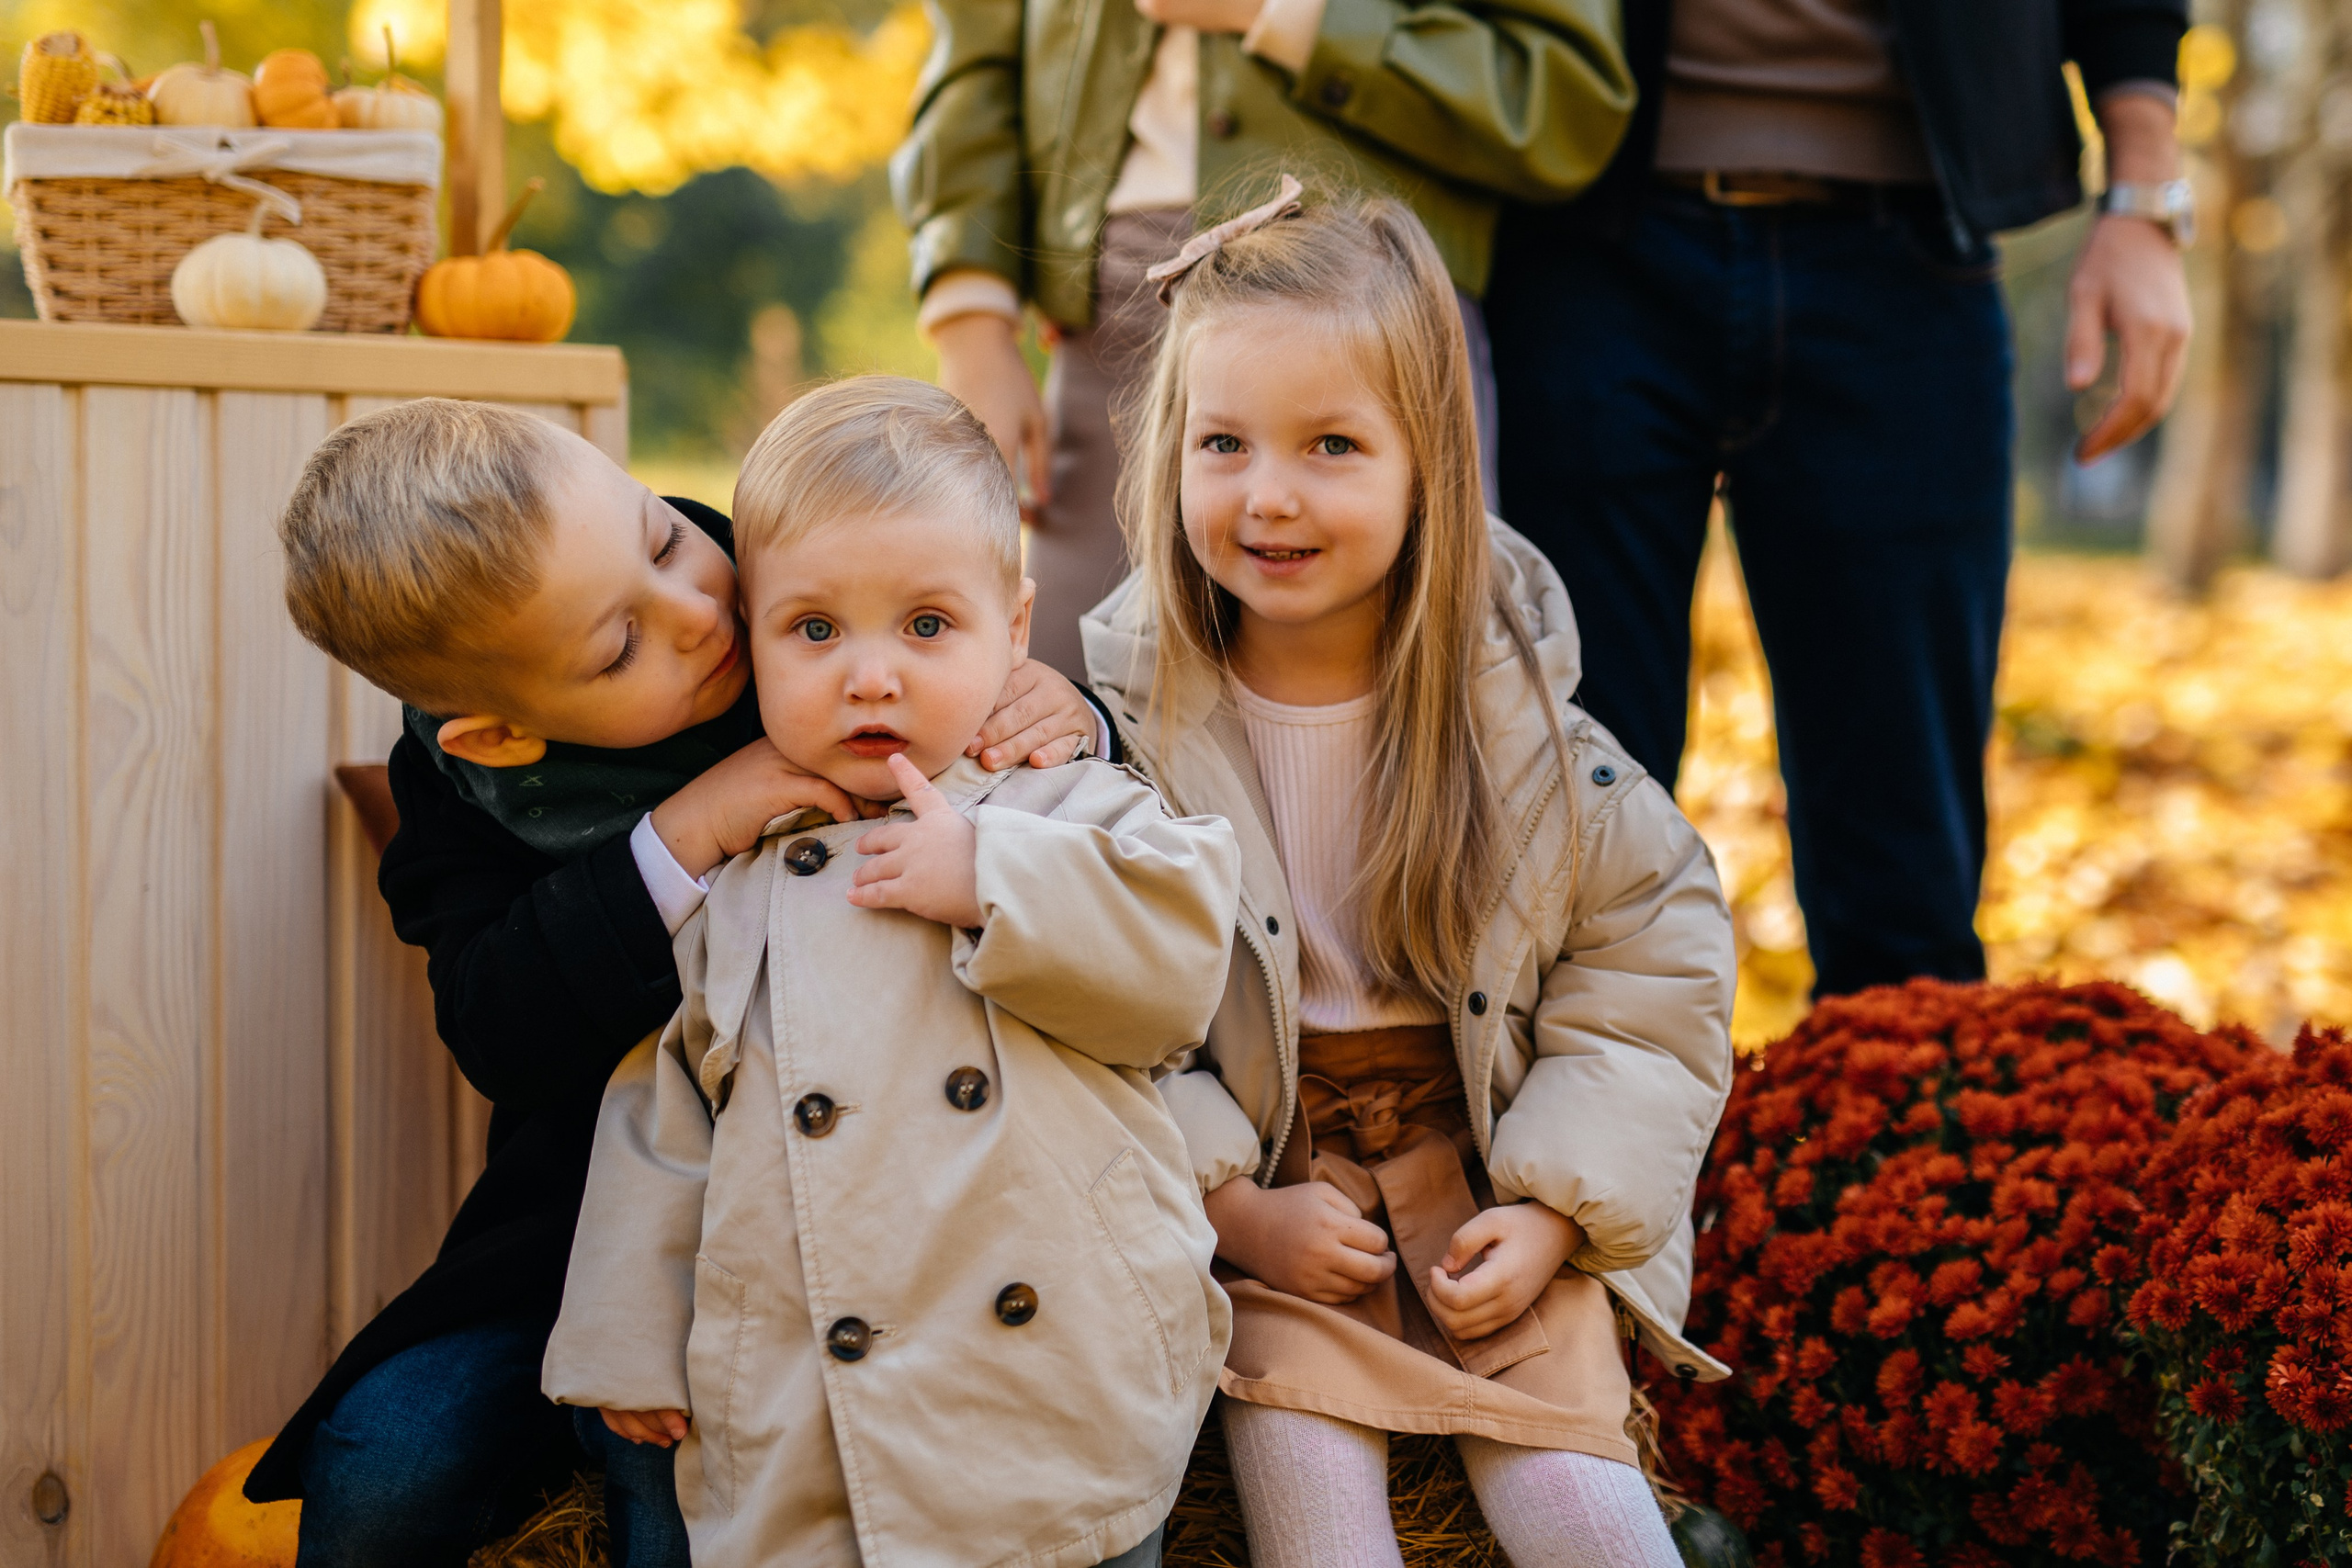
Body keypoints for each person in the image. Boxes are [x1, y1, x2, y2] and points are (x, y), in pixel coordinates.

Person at [251, 399, 1107, 1567]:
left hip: (888, 1200)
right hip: (594, 1231)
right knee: (382, 1462)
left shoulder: (789, 576)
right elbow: (500, 1027)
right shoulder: (476, 796)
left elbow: (977, 673)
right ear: (499, 734)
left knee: (684, 1489)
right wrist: (689, 829)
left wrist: (1073, 715)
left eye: (660, 539)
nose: (702, 613)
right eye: (618, 648)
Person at [1080, 186, 1737, 1568]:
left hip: (1485, 1159)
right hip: (1275, 1177)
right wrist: (1232, 1210)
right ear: (1168, 454)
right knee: (1316, 1513)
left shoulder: (1515, 732)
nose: (1270, 493)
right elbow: (1090, 1009)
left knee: (1587, 1515)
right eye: (1224, 442)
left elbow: (1653, 953)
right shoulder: (1125, 736)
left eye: (1332, 444)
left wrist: (1558, 1208)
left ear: (1428, 459)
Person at [541, 377, 1240, 1567]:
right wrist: (626, 1331)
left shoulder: (1069, 801)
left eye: (926, 625)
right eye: (815, 630)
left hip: (1058, 1360)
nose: (872, 675)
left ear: (1013, 628)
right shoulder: (749, 877)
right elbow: (668, 1111)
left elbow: (1178, 963)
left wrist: (991, 874)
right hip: (824, 1384)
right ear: (752, 636)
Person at [1485, 0, 2194, 998]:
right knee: (1563, 851)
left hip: (1906, 255)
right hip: (1578, 236)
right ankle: (1572, 1153)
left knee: (1905, 895)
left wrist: (2145, 198)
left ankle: (1893, 1140)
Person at [892, 0, 1638, 675]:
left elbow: (1564, 100)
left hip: (1375, 306)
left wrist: (1289, 15)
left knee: (1408, 698)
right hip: (1111, 316)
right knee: (1054, 703)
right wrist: (971, 318)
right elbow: (973, 60)